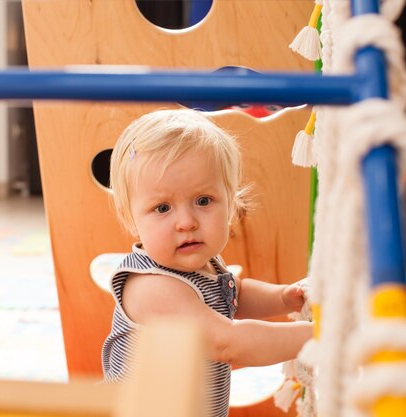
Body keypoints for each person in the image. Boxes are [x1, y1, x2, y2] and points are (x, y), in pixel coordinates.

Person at [101, 109, 313, 417]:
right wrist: (314, 336)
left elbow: (234, 294)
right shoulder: (151, 287)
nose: (186, 222)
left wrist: (282, 298)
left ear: (230, 203)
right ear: (130, 219)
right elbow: (229, 343)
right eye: (162, 208)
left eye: (203, 201)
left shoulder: (205, 265)